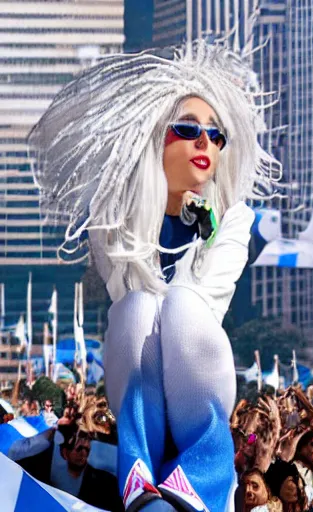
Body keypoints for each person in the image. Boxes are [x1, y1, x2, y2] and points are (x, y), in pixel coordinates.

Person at [29, 40, 280, 512]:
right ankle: (139, 471)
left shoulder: (233, 219)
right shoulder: (117, 217)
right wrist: (161, 213)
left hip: (195, 373)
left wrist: (200, 236)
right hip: (141, 373)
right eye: (187, 130)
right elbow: (126, 285)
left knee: (182, 306)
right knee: (139, 306)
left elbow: (207, 298)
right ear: (154, 138)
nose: (205, 142)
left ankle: (203, 471)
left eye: (215, 135)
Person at [15, 424, 123, 511]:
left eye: (87, 449)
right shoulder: (40, 475)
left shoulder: (105, 483)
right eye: (79, 449)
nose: (83, 454)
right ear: (65, 453)